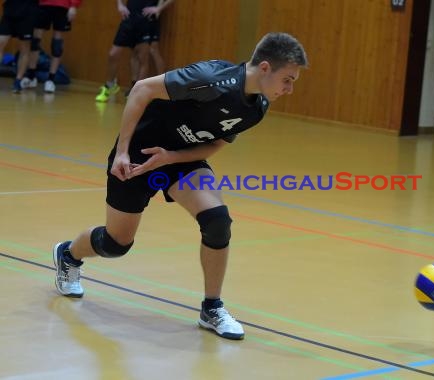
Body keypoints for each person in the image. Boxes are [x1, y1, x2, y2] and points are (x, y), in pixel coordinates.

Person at [53, 32, 308, 340]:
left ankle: (211, 307)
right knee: (115, 244)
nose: (290, 89)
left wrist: (171, 157)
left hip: (178, 159)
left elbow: (214, 145)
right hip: (138, 153)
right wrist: (122, 151)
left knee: (217, 221)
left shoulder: (257, 108)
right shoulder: (211, 78)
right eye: (288, 79)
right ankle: (68, 255)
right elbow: (141, 89)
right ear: (265, 68)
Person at [95, 0, 174, 103]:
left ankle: (138, 92)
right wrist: (120, 5)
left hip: (146, 22)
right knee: (113, 54)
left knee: (143, 58)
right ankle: (109, 86)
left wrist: (159, 8)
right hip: (128, 20)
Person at [20, 0, 81, 93]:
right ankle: (31, 76)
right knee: (35, 41)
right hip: (42, 5)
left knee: (57, 45)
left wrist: (73, 5)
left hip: (62, 6)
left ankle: (51, 80)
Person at [126, 0, 170, 96]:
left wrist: (159, 8)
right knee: (135, 52)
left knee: (153, 50)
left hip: (151, 20)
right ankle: (134, 85)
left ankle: (163, 86)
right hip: (137, 20)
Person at [0, 0, 38, 93]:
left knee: (24, 48)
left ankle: (18, 81)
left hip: (27, 13)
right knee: (1, 42)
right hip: (9, 12)